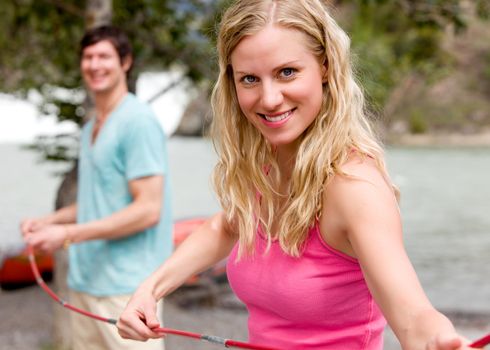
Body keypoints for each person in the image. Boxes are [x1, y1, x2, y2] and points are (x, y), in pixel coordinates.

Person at [116, 1, 479, 349]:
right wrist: (150, 290)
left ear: (324, 67)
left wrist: (438, 342)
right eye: (249, 79)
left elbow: (414, 317)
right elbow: (226, 226)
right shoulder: (268, 162)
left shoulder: (355, 187)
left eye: (286, 72)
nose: (269, 98)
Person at [21, 25, 172, 350]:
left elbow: (148, 209)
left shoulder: (138, 121)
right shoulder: (92, 125)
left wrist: (67, 235)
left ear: (125, 62)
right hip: (85, 282)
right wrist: (53, 220)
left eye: (104, 55)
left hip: (129, 289)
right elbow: (98, 200)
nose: (94, 64)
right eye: (88, 57)